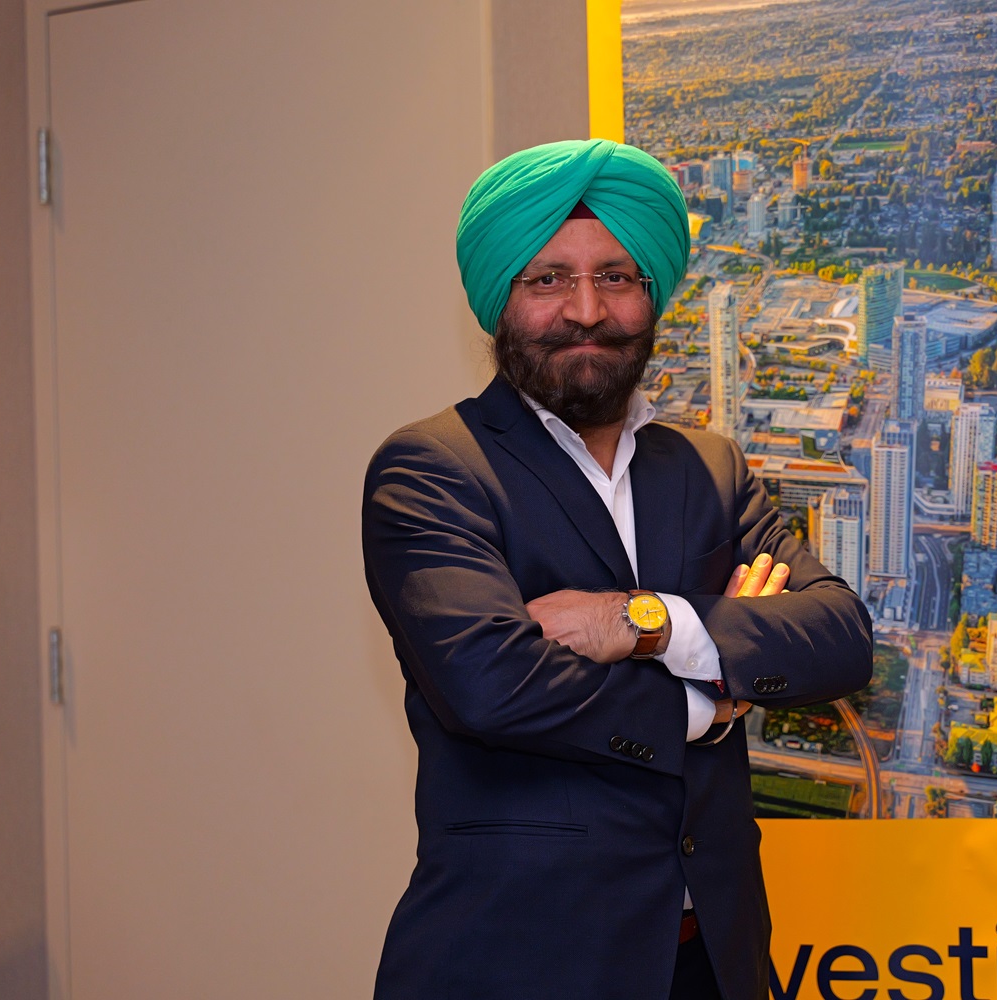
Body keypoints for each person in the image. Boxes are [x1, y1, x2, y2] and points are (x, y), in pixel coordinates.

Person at [362, 138, 872, 1000]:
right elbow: (492, 686)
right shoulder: (433, 469)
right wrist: (707, 698)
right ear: (500, 301)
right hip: (519, 966)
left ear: (651, 293)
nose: (587, 309)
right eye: (548, 279)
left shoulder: (710, 467)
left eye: (616, 276)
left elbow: (839, 638)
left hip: (714, 962)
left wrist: (646, 623)